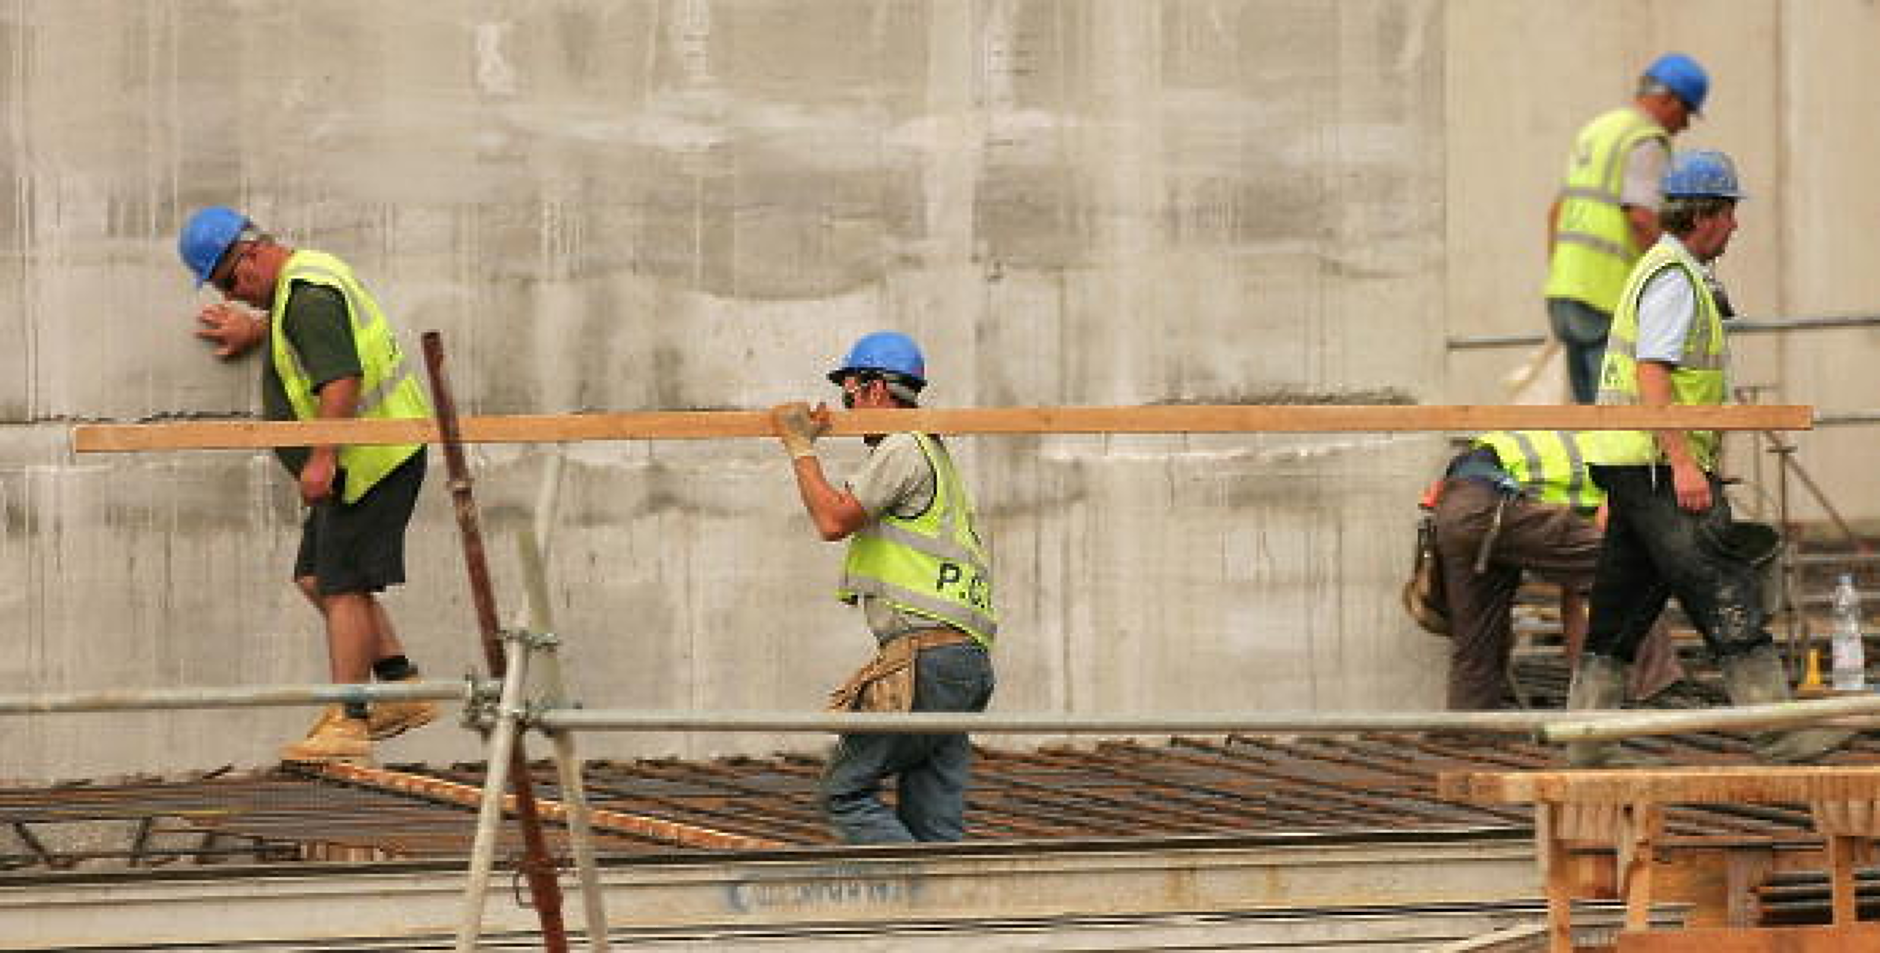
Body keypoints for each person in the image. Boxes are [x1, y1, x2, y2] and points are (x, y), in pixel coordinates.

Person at [1567, 151, 1850, 765]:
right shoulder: (1673, 279)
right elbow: (1652, 373)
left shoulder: (1666, 269)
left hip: (1632, 461)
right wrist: (1685, 464)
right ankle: (1776, 730)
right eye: (1729, 212)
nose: (1736, 226)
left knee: (1621, 604)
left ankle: (1584, 742)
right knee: (1724, 583)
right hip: (1656, 462)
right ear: (1706, 214)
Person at [177, 206, 437, 762]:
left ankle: (348, 720)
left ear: (246, 258)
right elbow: (314, 334)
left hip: (367, 461)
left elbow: (342, 375)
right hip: (367, 456)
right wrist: (260, 329)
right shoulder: (304, 282)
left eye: (228, 283)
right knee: (317, 576)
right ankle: (399, 685)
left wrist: (322, 456)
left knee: (342, 586)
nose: (235, 295)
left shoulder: (307, 297)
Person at [770, 331, 997, 843]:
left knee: (842, 793)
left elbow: (832, 521)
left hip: (928, 660)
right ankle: (943, 915)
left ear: (874, 390)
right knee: (935, 826)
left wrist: (800, 447)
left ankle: (914, 900)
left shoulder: (903, 447)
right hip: (963, 661)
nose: (845, 405)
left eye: (849, 392)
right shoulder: (932, 452)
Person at [1430, 430, 1682, 711]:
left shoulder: (1590, 443)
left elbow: (1576, 589)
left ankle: (1467, 734)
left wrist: (1579, 673)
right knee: (1624, 573)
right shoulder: (1634, 467)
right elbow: (1608, 556)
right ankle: (1656, 688)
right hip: (1495, 503)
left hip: (1454, 509)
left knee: (1478, 644)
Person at [1545, 53, 1708, 403]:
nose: (1685, 125)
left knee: (1590, 415)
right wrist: (1676, 274)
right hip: (1606, 295)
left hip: (1565, 291)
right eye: (1686, 112)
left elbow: (1555, 213)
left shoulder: (1596, 129)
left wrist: (1559, 275)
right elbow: (1641, 218)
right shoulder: (1645, 139)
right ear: (1669, 99)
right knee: (1614, 412)